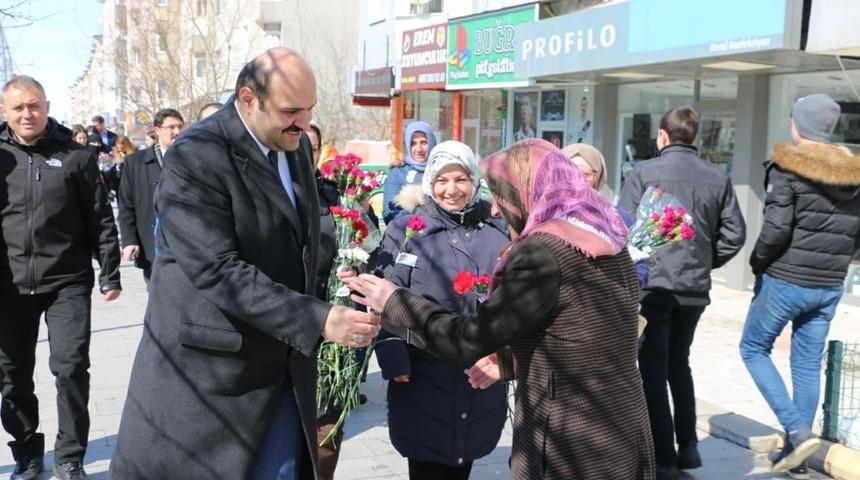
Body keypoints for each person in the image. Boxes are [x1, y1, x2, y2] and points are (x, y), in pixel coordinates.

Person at [109, 47, 380, 480]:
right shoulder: (196, 156)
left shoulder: (289, 145)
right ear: (248, 99)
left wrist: (355, 270)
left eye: (310, 110)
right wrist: (320, 318)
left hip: (283, 370)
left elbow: (298, 243)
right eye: (292, 110)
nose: (304, 124)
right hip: (212, 382)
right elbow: (216, 269)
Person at [350, 139, 655, 480]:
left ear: (529, 189)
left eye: (502, 196)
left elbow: (468, 338)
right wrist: (510, 360)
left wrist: (394, 301)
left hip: (571, 439)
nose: (495, 210)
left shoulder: (542, 251)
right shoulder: (605, 236)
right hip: (622, 428)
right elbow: (581, 334)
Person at [0, 75, 122, 480]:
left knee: (70, 367)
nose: (27, 113)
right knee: (12, 374)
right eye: (17, 107)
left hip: (67, 281)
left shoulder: (76, 155)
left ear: (47, 105)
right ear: (5, 111)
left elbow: (101, 219)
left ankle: (70, 456)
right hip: (9, 285)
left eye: (33, 105)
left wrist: (109, 272)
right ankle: (27, 453)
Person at [619, 107, 746, 480]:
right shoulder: (717, 176)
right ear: (695, 138)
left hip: (654, 286)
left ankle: (663, 457)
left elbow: (623, 226)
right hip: (693, 289)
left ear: (662, 136)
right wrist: (705, 261)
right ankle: (687, 445)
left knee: (653, 370)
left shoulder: (644, 172)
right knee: (679, 362)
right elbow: (735, 233)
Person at [740, 94, 860, 476]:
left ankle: (796, 428)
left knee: (752, 348)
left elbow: (775, 231)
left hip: (786, 279)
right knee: (807, 363)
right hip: (829, 283)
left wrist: (757, 263)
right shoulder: (854, 174)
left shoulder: (787, 168)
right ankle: (798, 456)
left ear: (799, 125)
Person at [375, 141, 509, 480]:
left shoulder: (498, 231)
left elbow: (513, 302)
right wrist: (392, 355)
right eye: (442, 181)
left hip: (478, 371)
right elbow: (382, 296)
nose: (452, 190)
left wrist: (504, 354)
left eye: (461, 179)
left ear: (474, 181)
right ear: (430, 183)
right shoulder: (407, 231)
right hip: (422, 371)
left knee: (466, 457)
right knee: (426, 460)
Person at [562, 142, 649, 289]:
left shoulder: (618, 218)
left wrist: (612, 283)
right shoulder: (543, 216)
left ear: (598, 177)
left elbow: (641, 270)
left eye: (585, 174)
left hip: (606, 307)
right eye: (569, 172)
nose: (576, 179)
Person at [117, 108, 184, 283]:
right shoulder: (135, 163)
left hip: (185, 244)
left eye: (180, 127)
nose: (177, 132)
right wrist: (129, 240)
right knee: (157, 298)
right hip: (151, 244)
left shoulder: (192, 159)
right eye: (171, 127)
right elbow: (126, 205)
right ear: (158, 130)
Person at [382, 121, 437, 223]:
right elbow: (388, 213)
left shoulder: (441, 170)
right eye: (413, 143)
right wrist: (417, 222)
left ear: (432, 142)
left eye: (424, 142)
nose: (419, 149)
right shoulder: (397, 173)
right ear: (407, 145)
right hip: (407, 233)